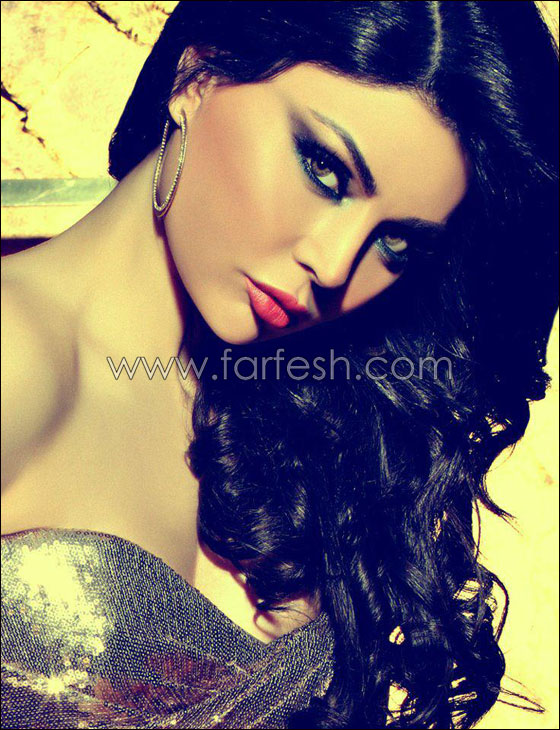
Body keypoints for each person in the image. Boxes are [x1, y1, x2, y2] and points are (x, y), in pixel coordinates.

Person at [1, 2, 558, 728]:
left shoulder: (296, 410)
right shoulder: (14, 358)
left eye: (396, 242)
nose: (334, 265)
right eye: (324, 170)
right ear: (197, 77)